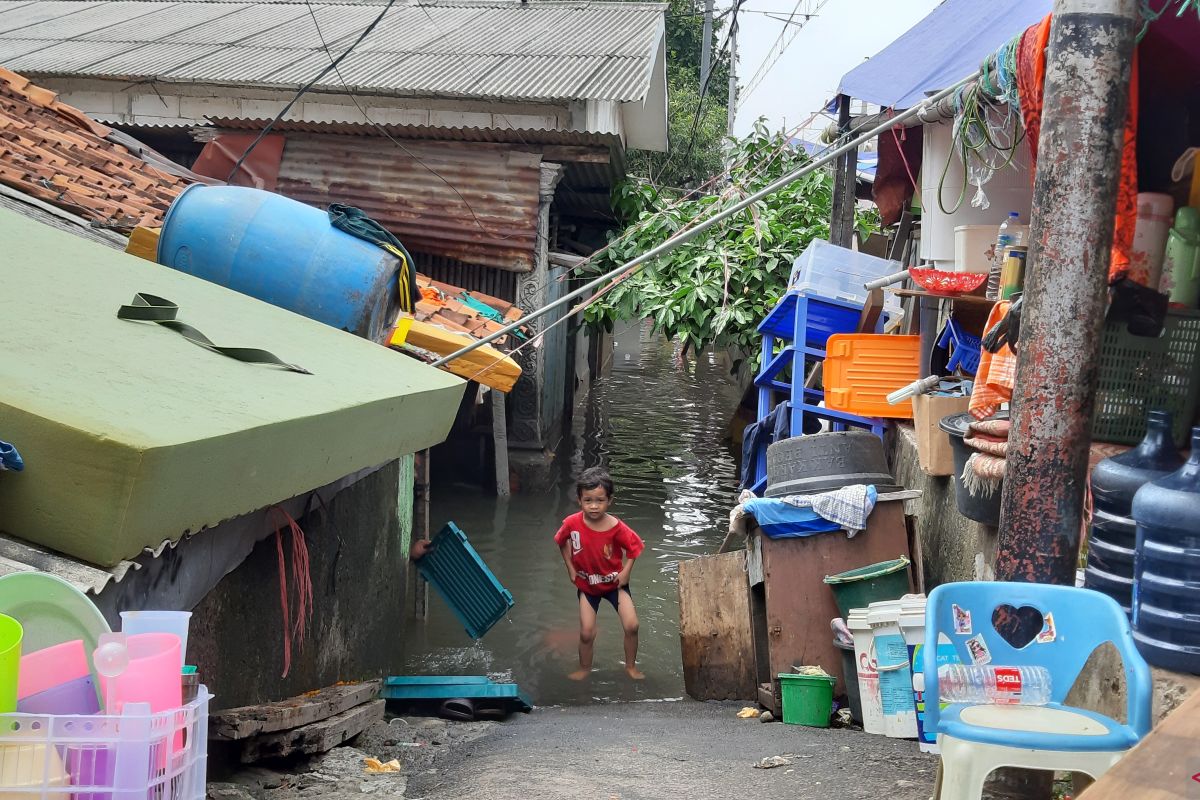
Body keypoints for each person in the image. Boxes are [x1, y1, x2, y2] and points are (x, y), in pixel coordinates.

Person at [554, 467, 645, 681]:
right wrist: (571, 568)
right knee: (586, 632)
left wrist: (625, 573)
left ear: (609, 501)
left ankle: (630, 667)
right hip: (588, 586)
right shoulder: (571, 523)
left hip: (615, 584)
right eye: (588, 500)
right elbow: (561, 541)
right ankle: (585, 668)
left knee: (632, 625)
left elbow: (635, 548)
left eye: (600, 500)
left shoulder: (616, 527)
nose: (594, 506)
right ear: (579, 500)